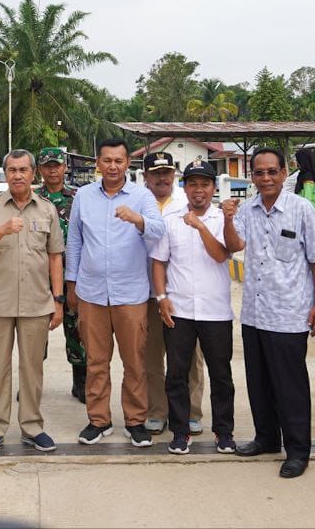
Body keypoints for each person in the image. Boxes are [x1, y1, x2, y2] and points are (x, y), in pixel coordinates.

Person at [226, 147, 315, 478]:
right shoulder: (247, 210)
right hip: (255, 313)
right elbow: (234, 245)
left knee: (290, 386)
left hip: (289, 313)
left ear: (285, 173)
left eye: (272, 171)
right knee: (259, 383)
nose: (266, 178)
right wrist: (227, 218)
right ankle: (267, 438)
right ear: (252, 176)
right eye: (259, 172)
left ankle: (298, 450)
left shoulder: (301, 209)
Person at [65, 137, 164, 448]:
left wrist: (138, 219)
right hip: (91, 292)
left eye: (118, 161)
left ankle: (135, 421)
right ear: (98, 163)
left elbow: (159, 231)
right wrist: (72, 284)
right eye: (106, 160)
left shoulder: (142, 196)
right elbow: (75, 242)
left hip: (131, 293)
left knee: (134, 361)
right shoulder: (83, 196)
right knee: (96, 361)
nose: (112, 166)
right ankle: (99, 420)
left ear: (127, 164)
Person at [0, 149, 65, 453]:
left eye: (24, 170)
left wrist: (58, 300)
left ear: (33, 173)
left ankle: (32, 427)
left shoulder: (47, 210)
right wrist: (1, 230)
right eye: (12, 170)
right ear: (5, 174)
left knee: (32, 369)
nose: (18, 175)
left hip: (37, 302)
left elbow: (55, 257)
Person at [150, 160, 237, 456]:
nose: (198, 190)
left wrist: (200, 227)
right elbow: (159, 262)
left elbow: (221, 255)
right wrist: (161, 298)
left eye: (204, 184)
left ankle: (224, 432)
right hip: (180, 310)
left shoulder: (221, 218)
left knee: (221, 374)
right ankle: (180, 432)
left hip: (216, 312)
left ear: (213, 188)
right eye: (192, 184)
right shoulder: (171, 219)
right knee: (177, 374)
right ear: (184, 187)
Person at [141, 151, 207, 436]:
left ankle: (192, 411)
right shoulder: (137, 202)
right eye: (155, 173)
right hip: (144, 292)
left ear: (174, 176)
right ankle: (157, 410)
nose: (161, 178)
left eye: (166, 172)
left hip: (182, 293)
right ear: (145, 177)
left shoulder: (186, 205)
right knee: (152, 356)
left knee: (190, 358)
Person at [35, 147, 84, 402]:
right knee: (34, 335)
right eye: (47, 166)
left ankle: (81, 383)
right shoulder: (33, 199)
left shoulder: (78, 198)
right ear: (40, 170)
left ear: (65, 167)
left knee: (77, 332)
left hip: (73, 277)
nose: (52, 170)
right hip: (40, 279)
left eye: (57, 165)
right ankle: (32, 385)